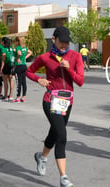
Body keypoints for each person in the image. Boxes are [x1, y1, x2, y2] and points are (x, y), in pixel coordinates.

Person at [26, 26, 84, 187]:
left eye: (67, 43)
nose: (65, 45)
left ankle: (42, 156)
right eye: (62, 42)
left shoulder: (76, 56)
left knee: (55, 132)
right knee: (62, 136)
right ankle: (63, 177)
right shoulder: (45, 57)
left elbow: (80, 81)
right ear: (53, 40)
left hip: (67, 102)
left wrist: (69, 69)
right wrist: (39, 79)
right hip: (50, 100)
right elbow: (29, 71)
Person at [13, 37, 32, 103]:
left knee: (19, 82)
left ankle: (18, 97)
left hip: (18, 66)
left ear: (18, 42)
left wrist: (18, 58)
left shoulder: (18, 47)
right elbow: (30, 52)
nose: (15, 42)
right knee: (24, 82)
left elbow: (19, 53)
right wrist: (25, 58)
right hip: (24, 65)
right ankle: (23, 97)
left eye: (15, 41)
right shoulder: (25, 48)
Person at [0, 37, 15, 101]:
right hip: (11, 65)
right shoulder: (11, 49)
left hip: (6, 66)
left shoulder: (4, 49)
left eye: (2, 41)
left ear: (3, 42)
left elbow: (3, 60)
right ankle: (11, 95)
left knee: (5, 82)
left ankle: (5, 96)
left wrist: (1, 69)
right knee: (11, 81)